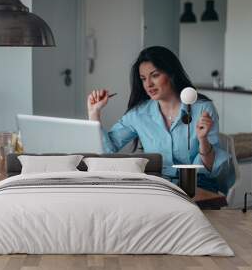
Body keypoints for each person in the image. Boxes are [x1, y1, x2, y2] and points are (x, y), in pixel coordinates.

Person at [87, 46, 231, 193]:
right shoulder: (138, 114)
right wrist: (94, 113)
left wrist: (203, 140)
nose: (148, 84)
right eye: (143, 79)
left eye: (155, 75)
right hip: (158, 186)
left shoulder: (202, 109)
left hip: (197, 185)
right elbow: (106, 152)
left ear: (171, 74)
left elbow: (209, 169)